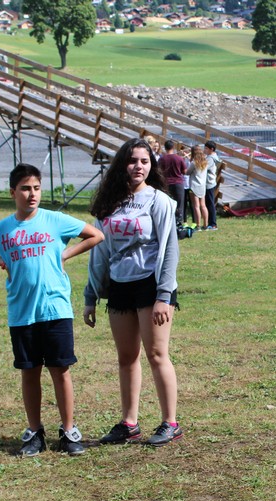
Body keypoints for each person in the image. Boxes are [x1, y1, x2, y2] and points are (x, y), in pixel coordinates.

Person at [0, 163, 103, 456]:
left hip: (55, 309)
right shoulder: (1, 229)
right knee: (29, 372)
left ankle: (69, 431)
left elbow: (95, 235)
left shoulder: (54, 220)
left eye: (37, 188)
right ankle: (34, 432)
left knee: (60, 370)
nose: (32, 195)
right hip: (22, 312)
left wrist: (64, 253)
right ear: (12, 192)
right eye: (26, 189)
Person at [84, 138, 183, 447]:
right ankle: (129, 423)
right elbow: (100, 252)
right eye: (132, 160)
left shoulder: (159, 201)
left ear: (150, 165)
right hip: (119, 285)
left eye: (144, 161)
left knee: (156, 354)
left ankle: (170, 422)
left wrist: (164, 295)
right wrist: (91, 295)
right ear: (121, 165)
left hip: (150, 286)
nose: (138, 166)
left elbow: (170, 251)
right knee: (126, 357)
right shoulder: (109, 204)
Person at [158, 139, 188, 229]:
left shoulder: (162, 159)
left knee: (167, 204)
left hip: (166, 183)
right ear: (173, 147)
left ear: (165, 147)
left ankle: (168, 222)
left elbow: (158, 171)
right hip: (178, 182)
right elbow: (185, 171)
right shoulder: (179, 158)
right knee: (179, 204)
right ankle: (179, 223)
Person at [187, 145, 208, 232]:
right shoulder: (205, 162)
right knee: (203, 205)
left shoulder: (194, 162)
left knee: (196, 206)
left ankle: (198, 225)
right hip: (202, 185)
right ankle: (206, 225)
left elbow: (188, 172)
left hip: (194, 185)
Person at [203, 140, 221, 230]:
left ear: (211, 149)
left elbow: (203, 168)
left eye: (206, 148)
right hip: (211, 183)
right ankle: (210, 222)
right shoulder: (211, 157)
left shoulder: (210, 158)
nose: (204, 150)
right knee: (208, 203)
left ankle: (213, 224)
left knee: (210, 204)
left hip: (209, 184)